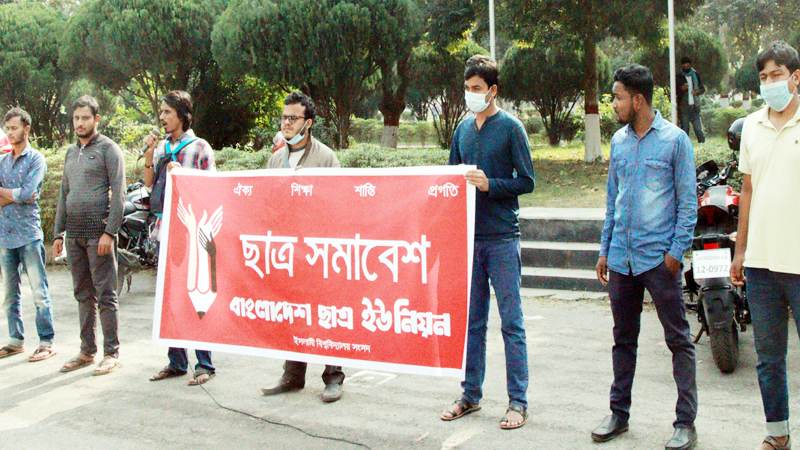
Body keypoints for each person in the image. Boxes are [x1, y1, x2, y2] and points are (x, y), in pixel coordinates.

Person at [593, 64, 698, 450]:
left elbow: (688, 204)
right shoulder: (619, 142)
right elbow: (612, 201)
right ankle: (618, 414)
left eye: (619, 96)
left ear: (638, 100)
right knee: (623, 339)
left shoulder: (675, 141)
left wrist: (674, 254)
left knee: (678, 341)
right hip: (621, 259)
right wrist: (605, 248)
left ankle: (685, 422)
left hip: (658, 260)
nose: (614, 103)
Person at [440, 55, 535, 430]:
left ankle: (518, 402)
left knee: (511, 324)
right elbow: (450, 179)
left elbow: (527, 181)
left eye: (477, 89)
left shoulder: (512, 128)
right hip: (469, 240)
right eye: (467, 89)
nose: (470, 95)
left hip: (502, 239)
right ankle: (470, 394)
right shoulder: (462, 130)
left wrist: (491, 185)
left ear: (493, 90)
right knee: (472, 323)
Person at [730, 41, 800, 450]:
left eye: (776, 75)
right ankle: (778, 434)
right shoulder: (752, 126)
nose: (769, 83)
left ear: (796, 76)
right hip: (760, 265)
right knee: (769, 359)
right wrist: (741, 251)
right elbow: (748, 191)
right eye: (763, 77)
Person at [261, 91, 344, 403]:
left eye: (293, 118)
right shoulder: (274, 159)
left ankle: (333, 377)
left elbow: (338, 202)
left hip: (317, 250)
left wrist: (309, 186)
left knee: (325, 313)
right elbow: (267, 204)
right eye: (283, 117)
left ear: (307, 123)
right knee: (291, 312)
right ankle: (292, 374)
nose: (286, 123)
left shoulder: (326, 158)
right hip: (286, 251)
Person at [143, 90, 217, 386]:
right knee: (170, 297)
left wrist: (183, 173)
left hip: (191, 231)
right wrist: (150, 155)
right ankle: (176, 361)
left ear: (182, 116)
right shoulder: (161, 147)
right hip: (166, 230)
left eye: (166, 113)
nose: (161, 118)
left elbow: (211, 191)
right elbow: (150, 186)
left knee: (195, 295)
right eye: (160, 112)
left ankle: (205, 364)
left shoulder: (200, 148)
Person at [53, 95, 125, 376]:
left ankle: (112, 353)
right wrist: (58, 231)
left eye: (85, 118)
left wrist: (110, 231)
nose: (80, 123)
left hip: (99, 235)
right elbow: (64, 193)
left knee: (105, 294)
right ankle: (86, 351)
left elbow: (118, 194)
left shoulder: (109, 149)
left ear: (96, 119)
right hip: (75, 236)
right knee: (83, 295)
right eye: (76, 118)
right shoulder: (71, 152)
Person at [0, 108, 55, 362]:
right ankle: (15, 340)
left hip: (29, 235)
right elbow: (21, 194)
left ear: (27, 129)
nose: (11, 133)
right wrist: (17, 193)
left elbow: (28, 193)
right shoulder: (3, 162)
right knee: (10, 294)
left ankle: (46, 341)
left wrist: (8, 193)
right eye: (7, 128)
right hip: (5, 235)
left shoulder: (36, 160)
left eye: (15, 128)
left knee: (39, 291)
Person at [676, 56, 706, 143]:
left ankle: (702, 148)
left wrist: (697, 91)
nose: (686, 69)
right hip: (684, 107)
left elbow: (702, 89)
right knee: (684, 130)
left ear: (691, 65)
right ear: (682, 67)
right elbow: (675, 92)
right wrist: (682, 88)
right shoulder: (679, 76)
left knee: (698, 130)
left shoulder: (696, 75)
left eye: (688, 67)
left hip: (695, 106)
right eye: (684, 67)